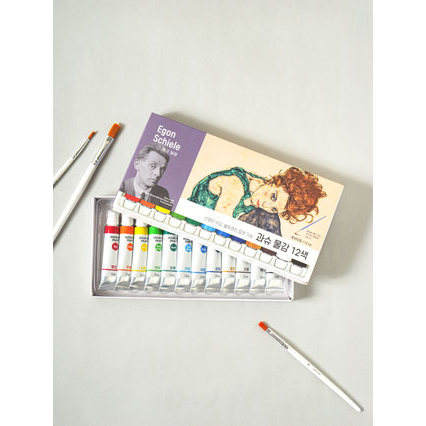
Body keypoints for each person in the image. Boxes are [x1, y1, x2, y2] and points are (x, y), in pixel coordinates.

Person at [188, 166, 326, 236]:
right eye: (273, 196)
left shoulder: (259, 187)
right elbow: (220, 227)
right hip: (191, 223)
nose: (266, 205)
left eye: (274, 208)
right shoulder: (235, 185)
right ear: (275, 182)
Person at [120, 144, 172, 209]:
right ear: (137, 164)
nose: (158, 174)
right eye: (152, 166)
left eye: (162, 169)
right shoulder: (121, 188)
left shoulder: (163, 195)